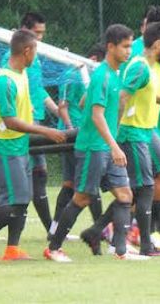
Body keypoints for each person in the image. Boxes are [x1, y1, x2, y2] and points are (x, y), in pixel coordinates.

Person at [45, 24, 149, 262]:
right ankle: (53, 248)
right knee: (82, 198)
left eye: (130, 47)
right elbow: (96, 114)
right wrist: (114, 145)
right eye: (124, 47)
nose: (128, 52)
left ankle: (121, 250)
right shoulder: (102, 75)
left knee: (125, 195)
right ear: (110, 47)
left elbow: (84, 103)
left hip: (106, 147)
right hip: (94, 147)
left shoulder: (113, 75)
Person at [0, 29, 66, 261]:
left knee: (23, 200)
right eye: (35, 49)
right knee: (15, 201)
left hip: (20, 147)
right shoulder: (4, 81)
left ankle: (12, 248)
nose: (36, 55)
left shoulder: (22, 74)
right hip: (5, 148)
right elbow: (10, 121)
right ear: (27, 51)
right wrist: (45, 130)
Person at [117, 22, 160, 257]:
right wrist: (113, 133)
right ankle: (141, 244)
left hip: (142, 132)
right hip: (132, 133)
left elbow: (144, 92)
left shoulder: (148, 68)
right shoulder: (140, 67)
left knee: (142, 188)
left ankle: (108, 233)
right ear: (158, 44)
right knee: (143, 189)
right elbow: (122, 97)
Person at [49, 43, 106, 240]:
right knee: (84, 184)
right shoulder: (73, 75)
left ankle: (55, 229)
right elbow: (63, 106)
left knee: (73, 184)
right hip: (74, 135)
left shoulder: (92, 77)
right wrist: (70, 127)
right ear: (95, 60)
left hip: (85, 133)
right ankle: (100, 229)